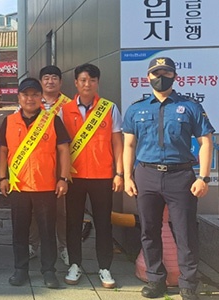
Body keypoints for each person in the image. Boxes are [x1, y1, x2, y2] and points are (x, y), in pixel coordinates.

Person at [123, 57, 214, 300]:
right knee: (149, 230)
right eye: (155, 73)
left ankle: (187, 284)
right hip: (146, 175)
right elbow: (129, 145)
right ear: (147, 77)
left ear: (175, 76)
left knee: (185, 232)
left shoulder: (190, 106)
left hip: (181, 176)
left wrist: (203, 177)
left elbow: (206, 142)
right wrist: (127, 177)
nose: (160, 77)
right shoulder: (137, 108)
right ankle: (156, 280)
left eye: (165, 72)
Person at [0, 78, 70, 289]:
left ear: (41, 98)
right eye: (25, 95)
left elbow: (64, 150)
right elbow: (3, 151)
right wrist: (2, 178)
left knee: (48, 230)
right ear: (19, 98)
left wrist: (63, 178)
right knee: (19, 230)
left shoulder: (52, 120)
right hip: (18, 186)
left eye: (34, 94)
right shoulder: (9, 121)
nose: (30, 98)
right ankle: (20, 269)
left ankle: (49, 271)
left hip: (46, 185)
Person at [61, 63, 123, 289]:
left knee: (103, 223)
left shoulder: (109, 108)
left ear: (98, 83)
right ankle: (75, 264)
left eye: (92, 80)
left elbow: (117, 142)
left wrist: (119, 172)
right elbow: (61, 146)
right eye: (83, 80)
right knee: (73, 222)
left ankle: (104, 267)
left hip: (103, 175)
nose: (88, 84)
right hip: (73, 177)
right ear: (76, 83)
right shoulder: (64, 109)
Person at [26, 65, 71, 263]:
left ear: (60, 82)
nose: (50, 81)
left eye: (54, 78)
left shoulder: (69, 105)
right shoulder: (30, 102)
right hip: (36, 167)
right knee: (35, 210)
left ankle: (64, 246)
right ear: (41, 81)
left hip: (61, 166)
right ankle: (32, 245)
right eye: (46, 77)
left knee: (61, 211)